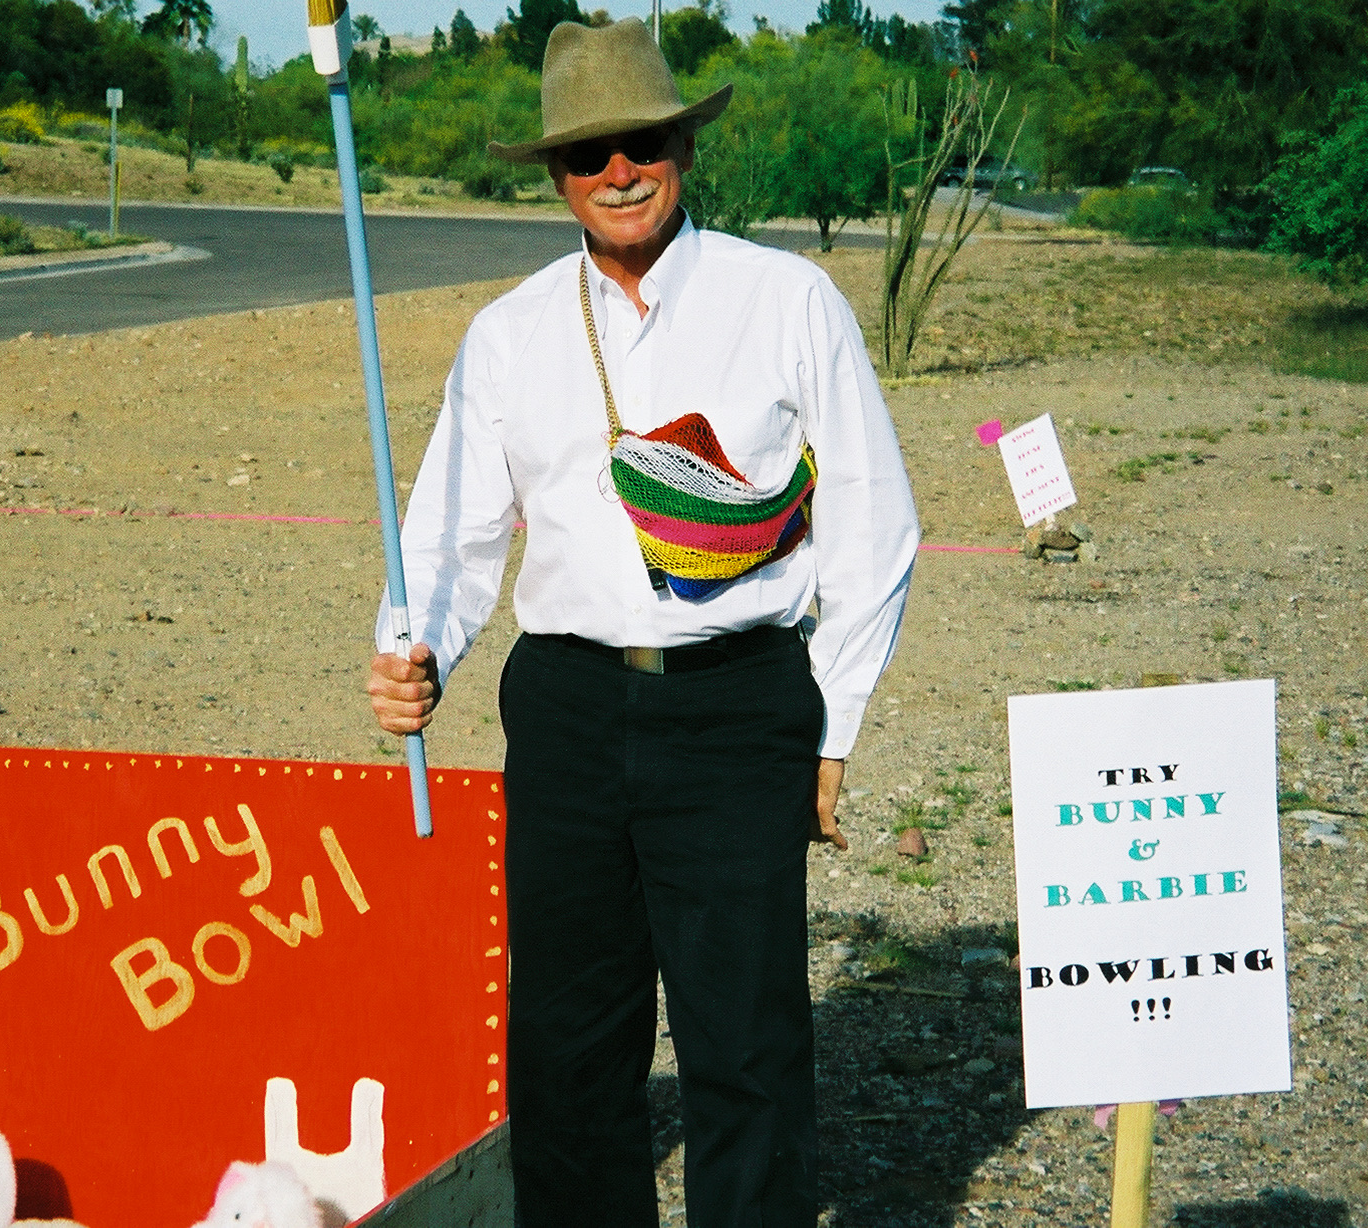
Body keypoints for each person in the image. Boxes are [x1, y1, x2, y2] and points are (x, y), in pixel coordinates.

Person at [367, 19, 919, 1228]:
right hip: (565, 710)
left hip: (737, 710)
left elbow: (875, 520)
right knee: (568, 1047)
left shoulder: (786, 300)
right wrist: (414, 649)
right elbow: (452, 529)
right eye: (587, 154)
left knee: (747, 1044)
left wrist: (834, 724)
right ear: (554, 178)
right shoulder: (509, 331)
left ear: (682, 146)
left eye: (643, 143)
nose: (619, 171)